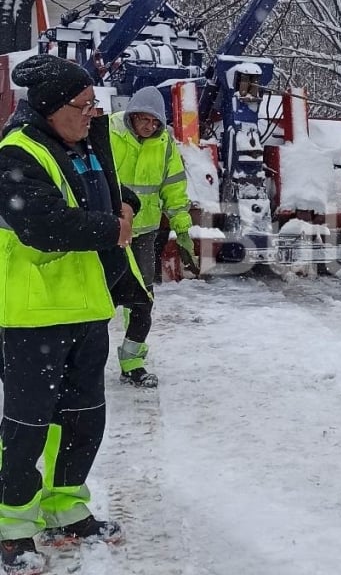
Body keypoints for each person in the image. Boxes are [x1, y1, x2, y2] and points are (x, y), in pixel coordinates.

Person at [0, 54, 148, 573]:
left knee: (82, 419)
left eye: (93, 106)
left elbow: (105, 191)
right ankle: (13, 526)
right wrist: (112, 228)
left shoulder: (78, 145)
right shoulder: (16, 153)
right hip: (33, 313)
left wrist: (124, 203)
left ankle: (66, 509)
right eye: (82, 107)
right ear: (49, 107)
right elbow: (41, 223)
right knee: (27, 424)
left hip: (85, 306)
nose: (91, 115)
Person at [109, 86, 196, 388]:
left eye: (154, 122)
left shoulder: (164, 144)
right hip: (106, 232)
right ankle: (80, 364)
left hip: (144, 233)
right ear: (132, 115)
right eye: (143, 120)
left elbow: (174, 187)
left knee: (142, 301)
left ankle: (132, 362)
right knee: (96, 300)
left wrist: (182, 229)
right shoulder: (108, 132)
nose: (149, 127)